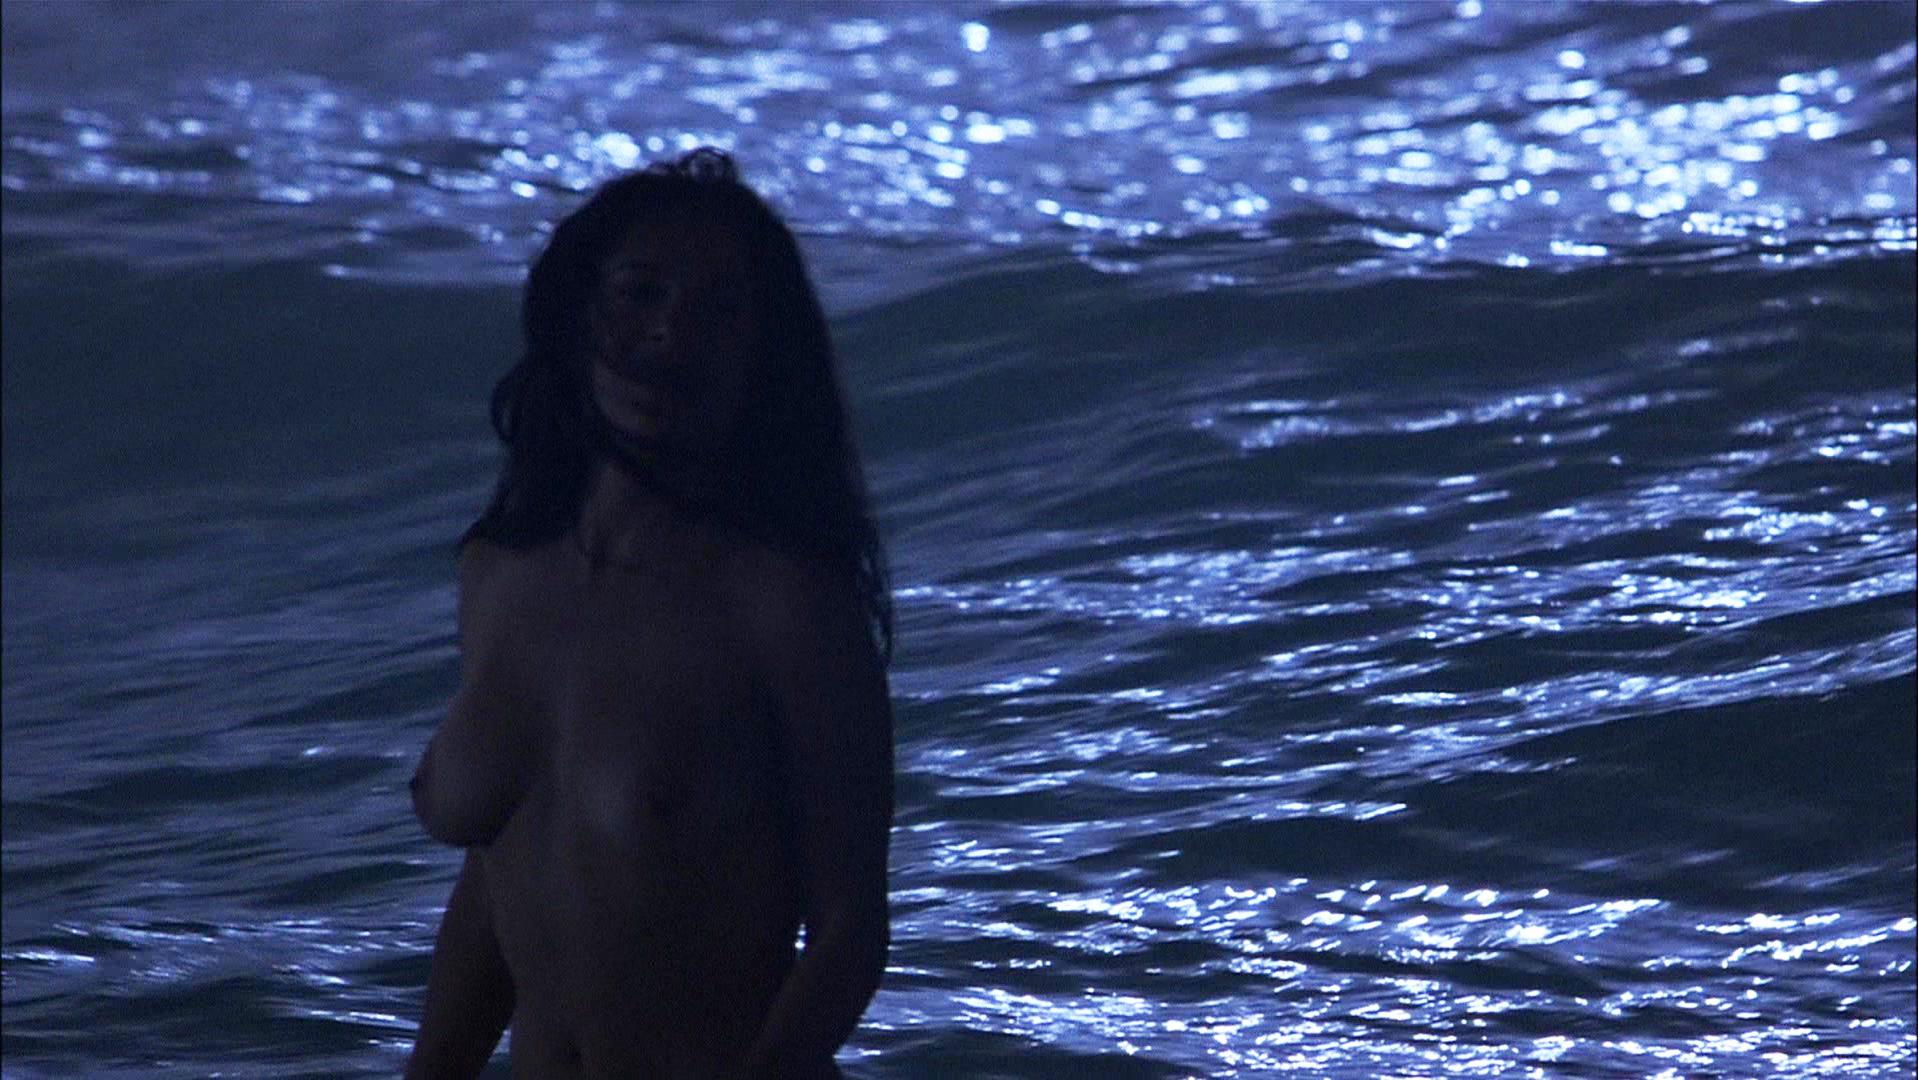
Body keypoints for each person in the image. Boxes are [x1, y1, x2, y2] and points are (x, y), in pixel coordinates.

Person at [405, 147, 895, 1079]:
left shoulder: (784, 603)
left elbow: (848, 933)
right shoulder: (499, 573)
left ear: (761, 356)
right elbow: (501, 883)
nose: (672, 331)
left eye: (720, 310)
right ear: (576, 311)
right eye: (641, 292)